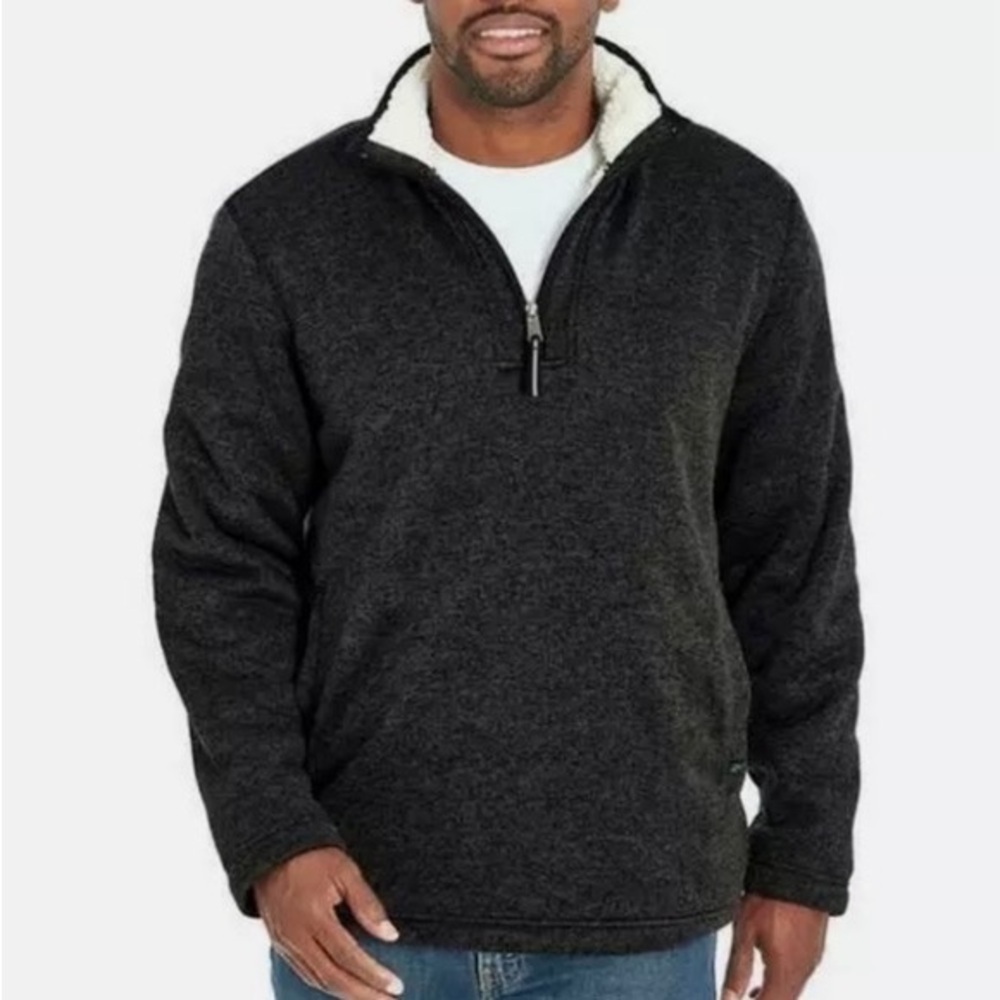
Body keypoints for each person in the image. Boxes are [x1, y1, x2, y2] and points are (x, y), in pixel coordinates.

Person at [151, 2, 865, 998]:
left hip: (644, 906)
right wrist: (270, 833)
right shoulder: (282, 227)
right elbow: (220, 559)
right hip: (361, 906)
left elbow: (793, 553)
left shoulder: (738, 217)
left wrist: (802, 854)